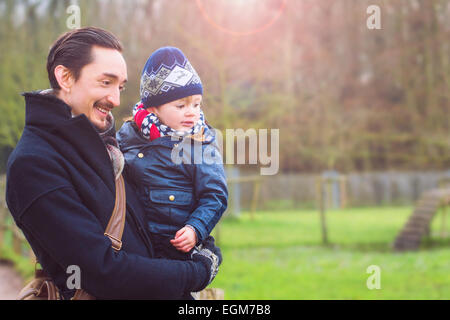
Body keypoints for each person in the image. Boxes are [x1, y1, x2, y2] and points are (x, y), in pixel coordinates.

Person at [5, 27, 220, 300]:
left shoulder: (110, 146)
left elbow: (155, 220)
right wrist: (196, 272)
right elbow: (103, 272)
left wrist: (201, 240)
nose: (116, 100)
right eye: (105, 83)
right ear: (65, 77)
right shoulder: (34, 164)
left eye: (120, 87)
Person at [116, 47, 228, 261]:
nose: (192, 112)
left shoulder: (200, 144)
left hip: (176, 245)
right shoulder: (128, 137)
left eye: (196, 104)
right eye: (181, 105)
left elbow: (215, 196)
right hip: (134, 243)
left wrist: (195, 229)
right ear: (153, 109)